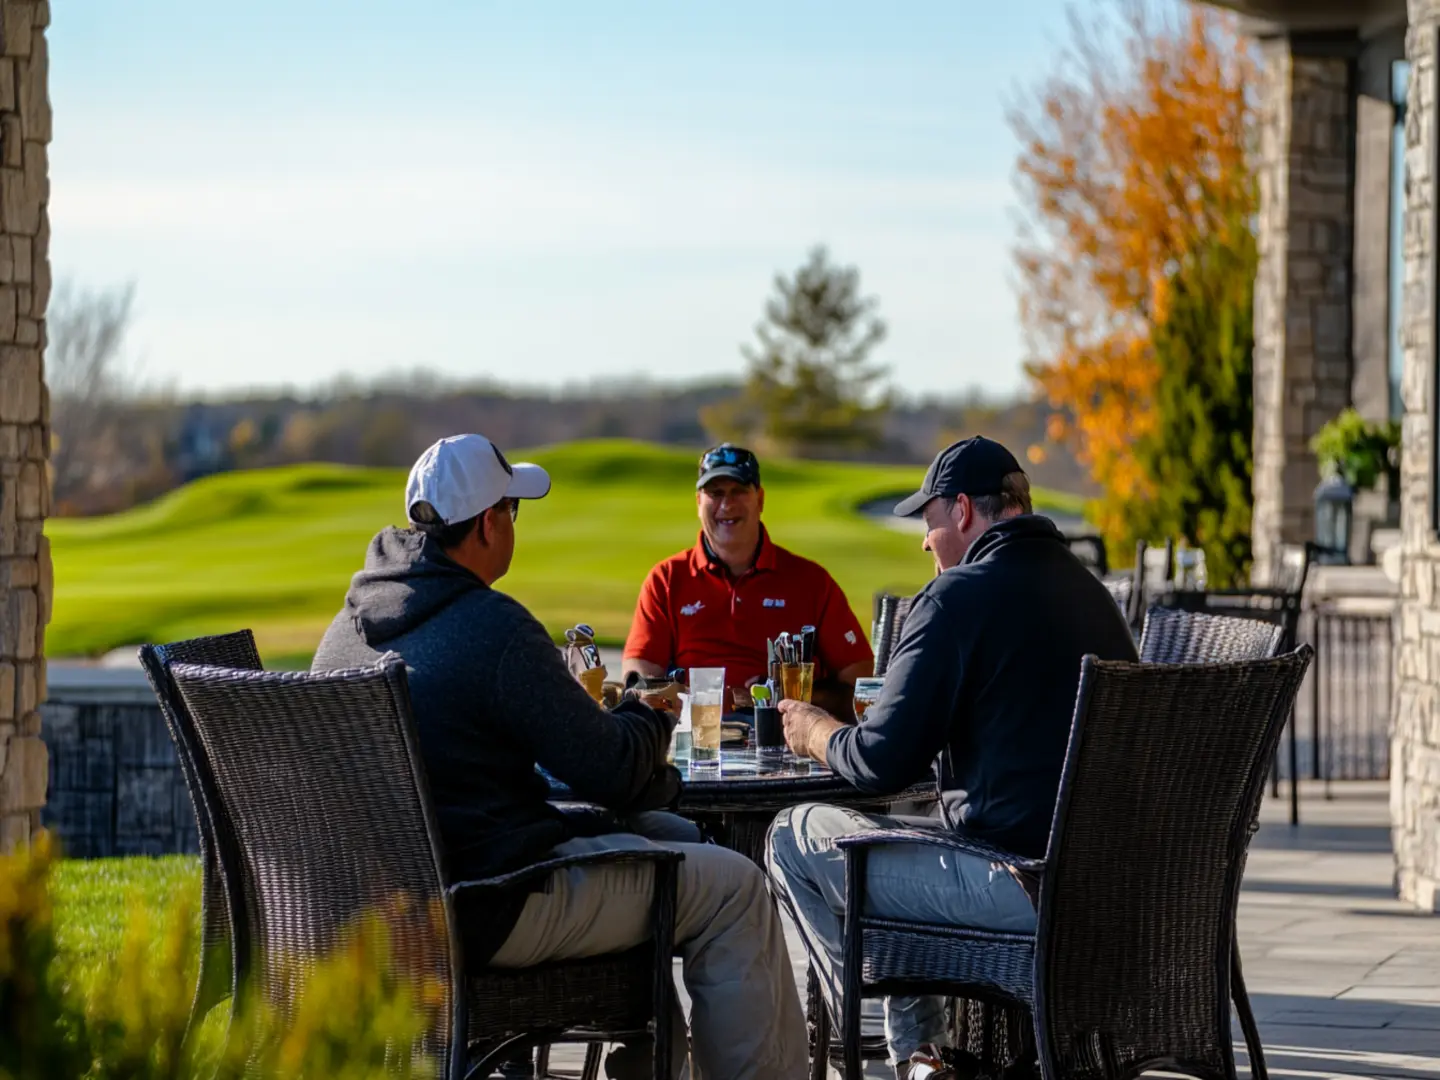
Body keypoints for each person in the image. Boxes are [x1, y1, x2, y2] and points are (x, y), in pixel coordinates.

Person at [313, 433, 808, 1080]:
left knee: (673, 836)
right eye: (514, 511)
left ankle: (651, 1061)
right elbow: (616, 774)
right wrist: (644, 709)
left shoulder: (347, 627)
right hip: (484, 909)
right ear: (490, 524)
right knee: (733, 886)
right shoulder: (492, 628)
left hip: (371, 914)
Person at [764, 436, 1139, 1080]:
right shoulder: (1094, 596)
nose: (924, 541)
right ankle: (922, 1062)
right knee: (900, 844)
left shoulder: (957, 597)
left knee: (791, 838)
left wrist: (816, 731)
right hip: (1113, 892)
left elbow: (880, 761)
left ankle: (871, 1047)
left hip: (1018, 889)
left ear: (962, 510)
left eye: (929, 521)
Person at [623, 442, 874, 716]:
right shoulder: (667, 579)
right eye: (715, 493)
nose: (727, 504)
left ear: (760, 499)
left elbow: (859, 685)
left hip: (784, 739)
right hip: (695, 737)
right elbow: (640, 678)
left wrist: (779, 697)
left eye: (739, 491)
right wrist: (694, 701)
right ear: (698, 502)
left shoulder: (811, 581)